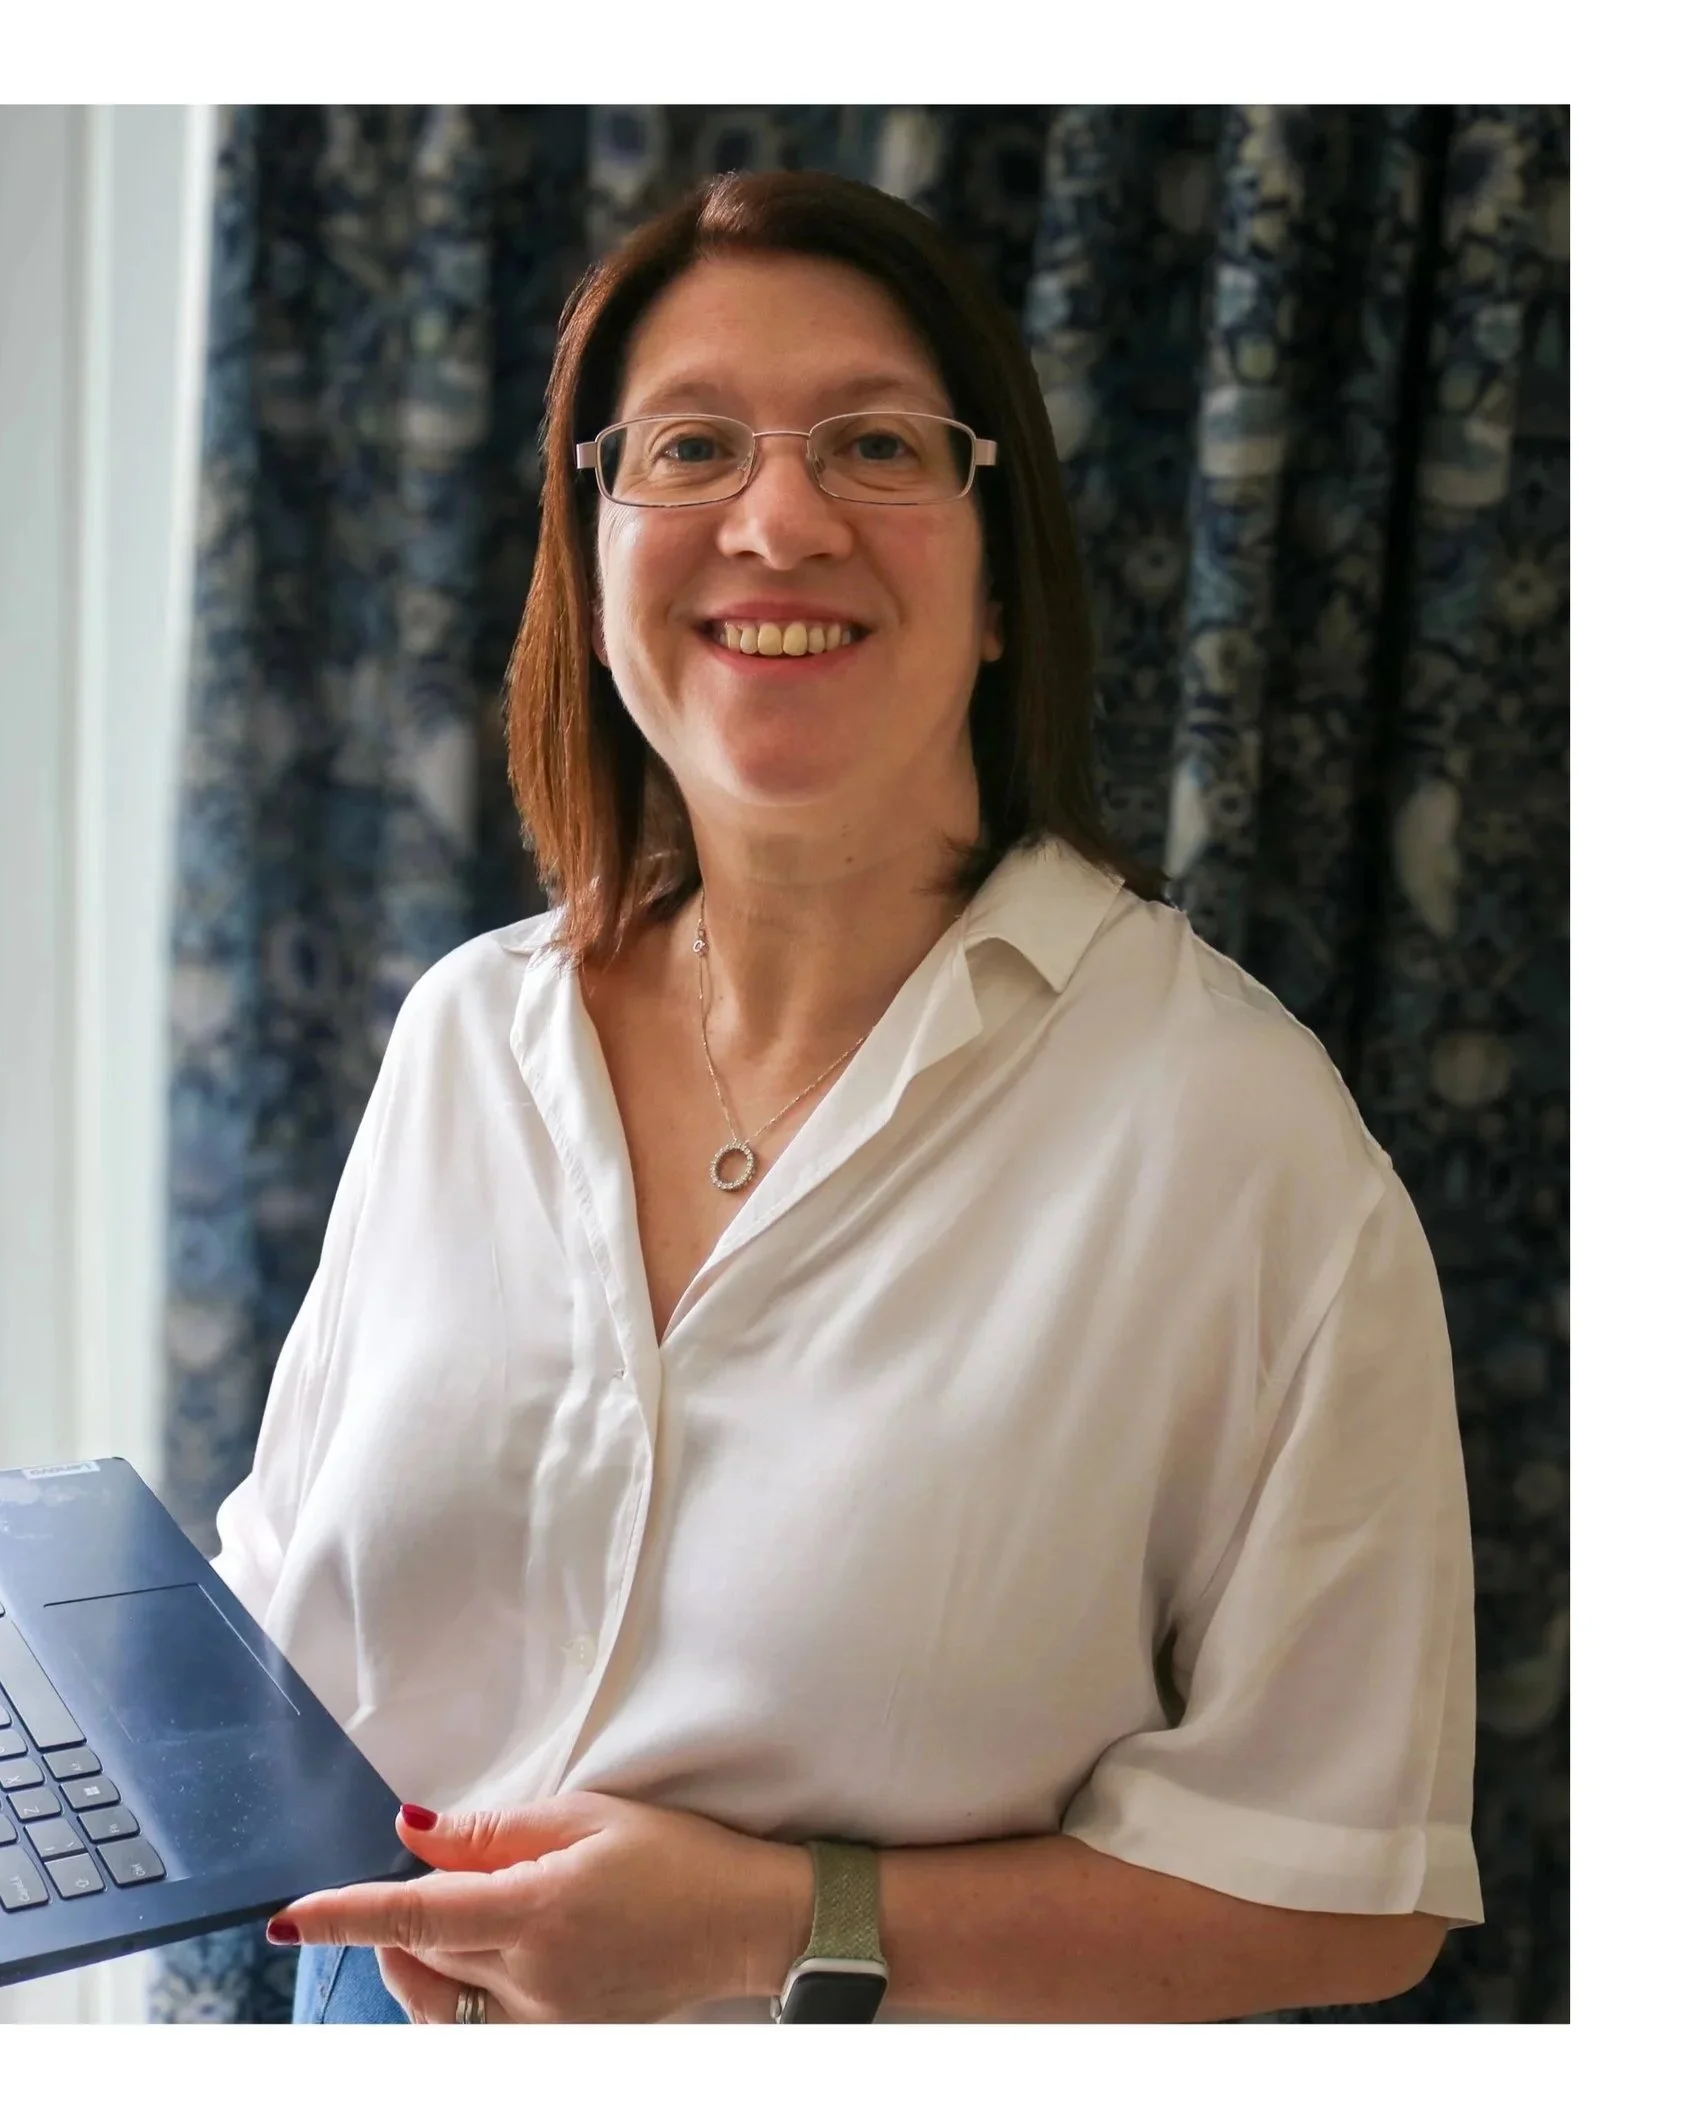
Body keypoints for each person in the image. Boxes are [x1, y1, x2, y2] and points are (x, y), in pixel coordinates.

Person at [215, 170, 1480, 2024]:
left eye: (876, 445)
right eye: (694, 446)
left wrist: (779, 1920)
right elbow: (277, 1630)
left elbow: (1352, 1900)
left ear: (993, 589)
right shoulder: (465, 1038)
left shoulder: (1243, 1140)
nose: (780, 517)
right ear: (592, 569)